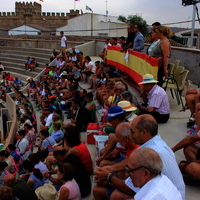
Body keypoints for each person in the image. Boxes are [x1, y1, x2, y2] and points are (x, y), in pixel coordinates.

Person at [93, 114, 185, 200]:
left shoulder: (152, 152)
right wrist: (111, 168)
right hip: (171, 191)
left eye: (132, 132)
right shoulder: (155, 143)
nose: (130, 135)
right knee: (122, 174)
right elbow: (129, 162)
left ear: (144, 132)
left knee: (116, 195)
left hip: (167, 195)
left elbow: (128, 188)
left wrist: (109, 177)